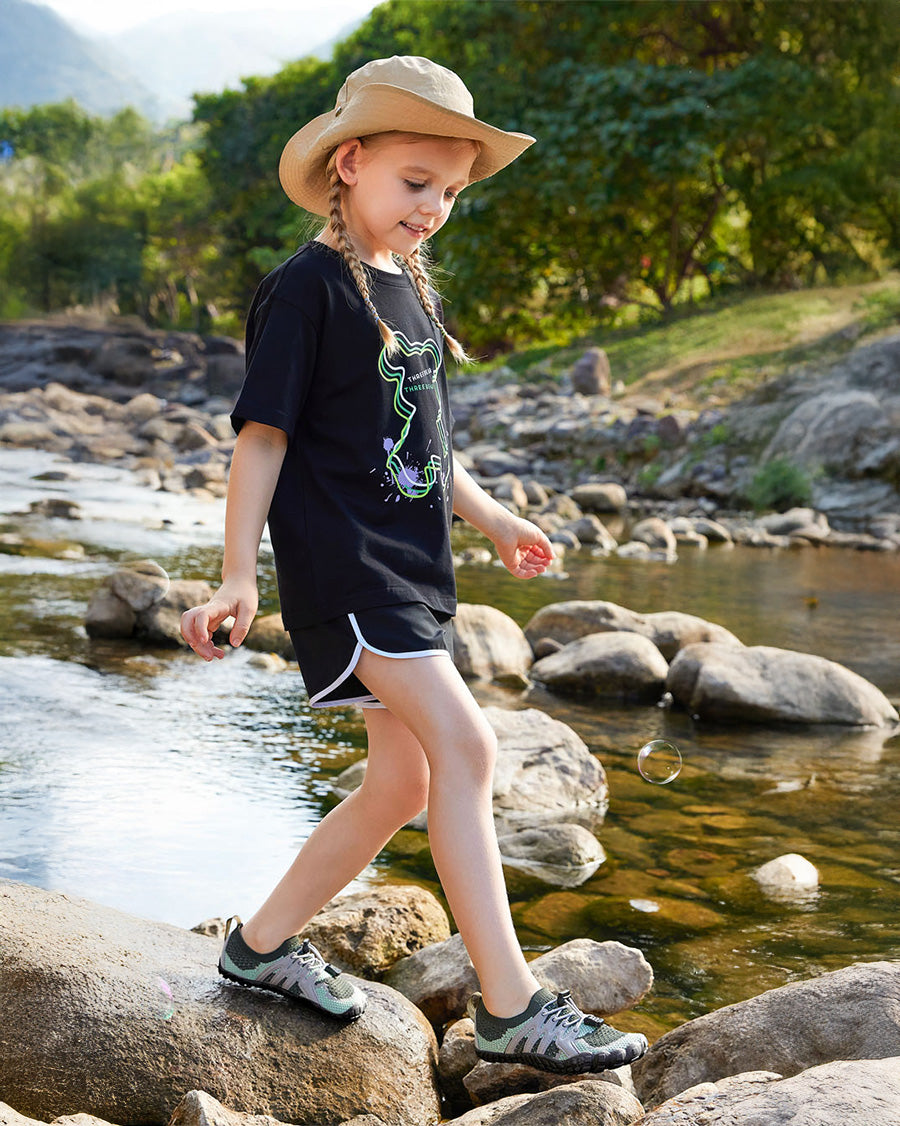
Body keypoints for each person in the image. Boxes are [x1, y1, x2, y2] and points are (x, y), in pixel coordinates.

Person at [181, 55, 648, 1074]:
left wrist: (487, 518)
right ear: (349, 163)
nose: (433, 206)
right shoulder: (305, 291)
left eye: (448, 190)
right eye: (414, 182)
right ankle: (512, 1004)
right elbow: (261, 437)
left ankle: (259, 947)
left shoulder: (407, 292)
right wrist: (236, 577)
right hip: (349, 570)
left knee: (399, 784)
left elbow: (432, 442)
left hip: (413, 568)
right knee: (468, 752)